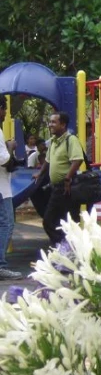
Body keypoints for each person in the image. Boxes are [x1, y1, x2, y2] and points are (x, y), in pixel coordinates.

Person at [35, 111, 84, 245]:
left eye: (53, 122)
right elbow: (48, 160)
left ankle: (70, 249)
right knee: (49, 221)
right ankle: (63, 246)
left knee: (69, 221)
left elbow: (77, 160)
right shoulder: (53, 142)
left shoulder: (71, 140)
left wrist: (68, 178)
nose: (50, 125)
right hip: (56, 188)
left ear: (63, 125)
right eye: (50, 122)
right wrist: (40, 174)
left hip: (67, 187)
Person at [0, 99, 23, 280]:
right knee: (6, 223)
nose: (6, 113)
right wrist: (10, 147)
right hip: (1, 188)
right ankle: (1, 266)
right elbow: (4, 160)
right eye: (5, 109)